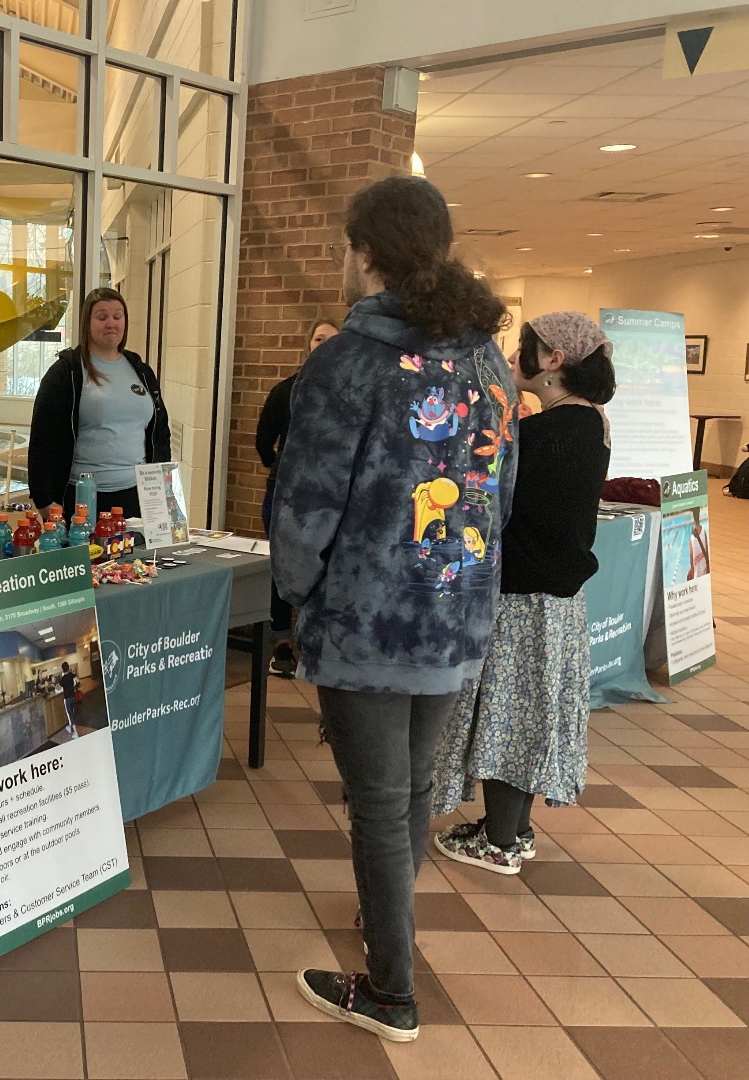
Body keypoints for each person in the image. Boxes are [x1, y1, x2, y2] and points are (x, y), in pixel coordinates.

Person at [271, 175, 518, 1042]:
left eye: (347, 245)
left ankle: (390, 991)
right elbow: (499, 495)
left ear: (368, 251)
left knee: (378, 802)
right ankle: (387, 921)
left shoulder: (349, 359)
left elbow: (306, 505)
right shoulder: (489, 360)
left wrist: (296, 596)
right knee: (411, 789)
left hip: (371, 621)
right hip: (458, 613)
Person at [431, 312, 615, 875]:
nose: (515, 357)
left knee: (509, 715)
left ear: (555, 360)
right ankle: (511, 827)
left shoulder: (542, 435)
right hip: (556, 602)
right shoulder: (588, 425)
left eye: (525, 349)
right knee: (530, 714)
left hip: (523, 599)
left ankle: (501, 841)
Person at [28, 287, 171, 521]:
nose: (111, 323)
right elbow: (43, 438)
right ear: (87, 322)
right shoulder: (66, 373)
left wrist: (165, 490)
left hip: (139, 495)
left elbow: (160, 433)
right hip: (84, 496)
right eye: (102, 317)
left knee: (135, 559)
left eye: (118, 316)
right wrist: (44, 499)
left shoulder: (141, 371)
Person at [256, 318, 340, 677]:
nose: (323, 345)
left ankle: (312, 646)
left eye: (331, 340)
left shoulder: (349, 395)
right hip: (284, 498)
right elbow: (263, 441)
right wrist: (285, 472)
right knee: (281, 571)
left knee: (322, 574)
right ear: (308, 344)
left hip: (329, 501)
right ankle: (279, 647)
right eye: (318, 338)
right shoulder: (285, 391)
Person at [687, 506, 710, 580]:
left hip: (697, 576)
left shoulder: (692, 538)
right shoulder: (705, 531)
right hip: (706, 572)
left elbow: (691, 561)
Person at [59, 661, 79, 737]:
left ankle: (76, 733)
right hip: (73, 697)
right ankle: (69, 727)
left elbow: (60, 687)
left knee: (70, 714)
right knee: (72, 713)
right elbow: (78, 681)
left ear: (62, 670)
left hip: (67, 698)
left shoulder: (62, 679)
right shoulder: (71, 675)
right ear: (68, 668)